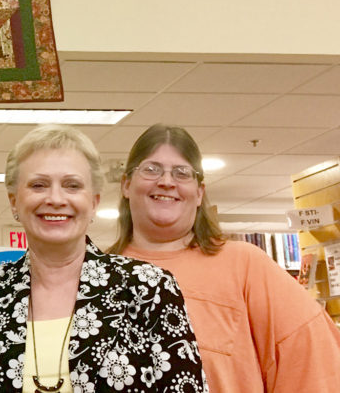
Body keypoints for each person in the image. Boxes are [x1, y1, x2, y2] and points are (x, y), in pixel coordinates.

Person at [0, 124, 207, 393]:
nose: (55, 198)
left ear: (94, 201)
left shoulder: (149, 288)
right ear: (13, 201)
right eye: (38, 185)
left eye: (72, 185)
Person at [111, 123, 340, 392]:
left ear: (199, 193)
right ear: (126, 184)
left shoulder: (245, 266)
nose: (167, 181)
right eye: (151, 169)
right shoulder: (94, 278)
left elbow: (314, 364)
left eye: (182, 173)